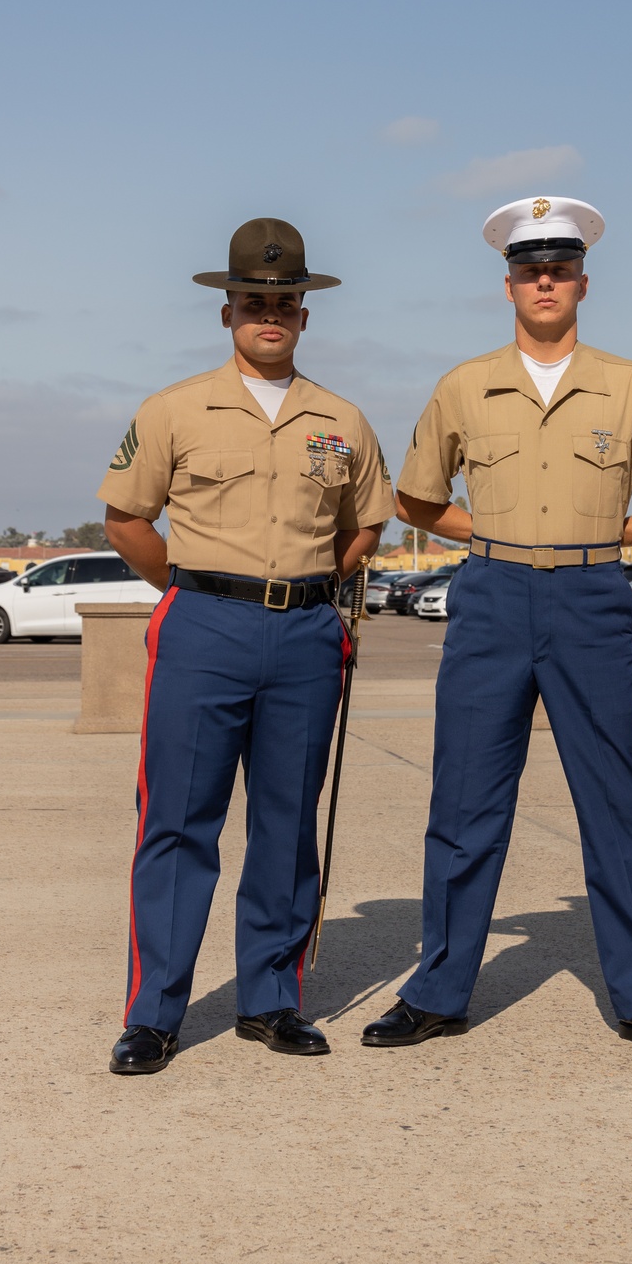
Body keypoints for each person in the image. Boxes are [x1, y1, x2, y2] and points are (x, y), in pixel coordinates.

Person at [362, 196, 632, 1057]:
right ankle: (439, 991)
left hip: (593, 601)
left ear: (583, 284)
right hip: (492, 597)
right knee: (465, 800)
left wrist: (598, 537)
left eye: (559, 268)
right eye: (529, 268)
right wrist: (490, 539)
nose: (545, 280)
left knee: (615, 800)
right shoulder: (463, 386)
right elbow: (415, 500)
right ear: (509, 284)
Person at [99, 217, 393, 1074]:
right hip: (203, 630)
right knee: (178, 825)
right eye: (256, 300)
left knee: (285, 824)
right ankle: (153, 1014)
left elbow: (364, 524)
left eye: (286, 302)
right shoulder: (174, 410)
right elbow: (127, 518)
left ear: (307, 315)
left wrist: (302, 591)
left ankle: (271, 1000)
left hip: (303, 634)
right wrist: (197, 590)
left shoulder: (341, 419)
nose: (272, 313)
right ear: (226, 310)